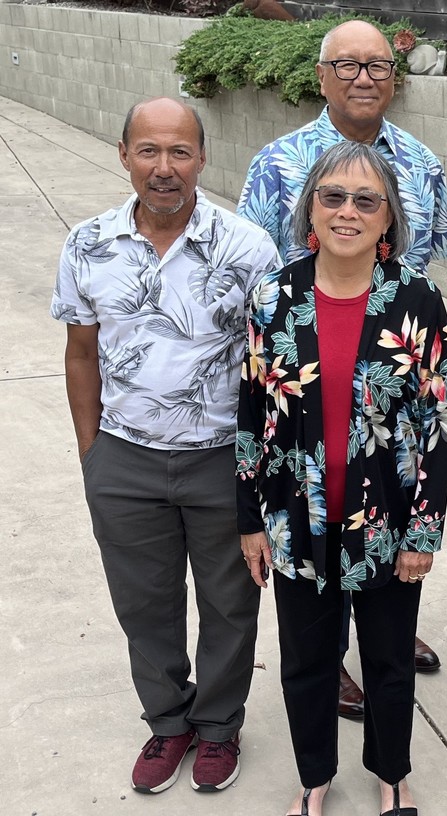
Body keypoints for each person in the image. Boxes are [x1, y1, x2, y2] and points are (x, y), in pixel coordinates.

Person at [51, 97, 280, 795]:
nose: (164, 167)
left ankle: (218, 726)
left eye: (180, 151)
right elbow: (81, 353)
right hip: (125, 459)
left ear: (202, 158)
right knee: (143, 603)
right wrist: (93, 454)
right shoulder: (88, 244)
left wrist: (260, 470)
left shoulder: (248, 249)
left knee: (230, 604)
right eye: (148, 150)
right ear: (124, 155)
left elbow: (273, 367)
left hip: (221, 459)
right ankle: (168, 721)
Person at [237, 140, 447, 816]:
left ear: (389, 217)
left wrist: (423, 532)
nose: (347, 212)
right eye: (332, 196)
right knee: (306, 663)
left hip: (387, 524)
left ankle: (392, 775)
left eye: (366, 200)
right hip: (294, 522)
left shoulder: (417, 299)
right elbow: (251, 412)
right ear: (311, 208)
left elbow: (439, 423)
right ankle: (314, 777)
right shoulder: (274, 297)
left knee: (388, 662)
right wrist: (249, 519)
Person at [238, 19, 447, 712]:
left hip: (388, 384)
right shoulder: (277, 163)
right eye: (347, 65)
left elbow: (425, 264)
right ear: (322, 76)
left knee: (384, 501)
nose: (364, 78)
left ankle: (384, 627)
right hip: (307, 375)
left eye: (378, 65)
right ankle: (325, 655)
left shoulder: (421, 164)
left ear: (395, 77)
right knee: (315, 520)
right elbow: (259, 275)